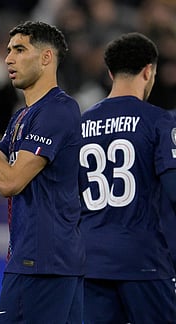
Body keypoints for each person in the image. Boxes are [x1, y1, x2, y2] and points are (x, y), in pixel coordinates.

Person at [0, 21, 84, 324]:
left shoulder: (57, 110)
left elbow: (10, 181)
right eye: (8, 50)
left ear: (46, 57)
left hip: (42, 262)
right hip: (45, 261)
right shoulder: (21, 118)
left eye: (19, 49)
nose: (8, 59)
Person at [79, 32, 176, 323]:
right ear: (149, 71)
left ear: (110, 72)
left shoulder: (81, 124)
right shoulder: (159, 120)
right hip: (143, 260)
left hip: (90, 260)